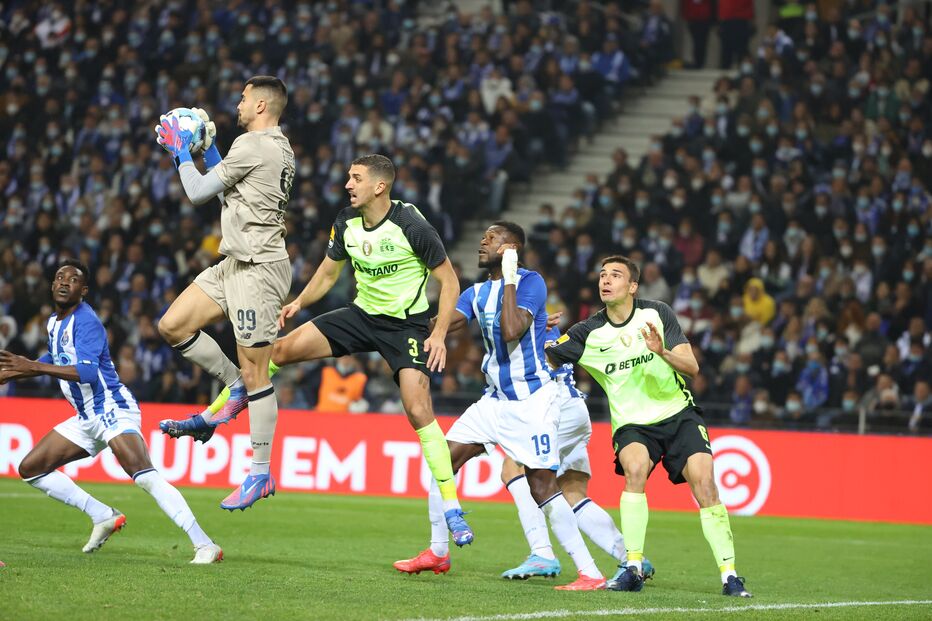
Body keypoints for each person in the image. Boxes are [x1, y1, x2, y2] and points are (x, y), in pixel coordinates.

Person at [160, 154, 472, 542]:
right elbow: (328, 272)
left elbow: (451, 283)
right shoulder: (346, 220)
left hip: (403, 326)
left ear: (379, 186)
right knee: (274, 352)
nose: (347, 184)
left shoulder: (412, 225)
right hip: (361, 315)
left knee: (418, 408)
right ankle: (211, 417)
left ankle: (453, 508)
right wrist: (299, 303)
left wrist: (438, 333)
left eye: (355, 178)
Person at [393, 222, 605, 591]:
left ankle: (590, 573)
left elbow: (510, 329)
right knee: (442, 460)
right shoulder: (476, 292)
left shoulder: (531, 282)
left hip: (532, 401)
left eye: (492, 239)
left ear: (512, 249)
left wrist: (509, 276)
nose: (482, 242)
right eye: (483, 237)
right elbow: (441, 323)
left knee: (541, 485)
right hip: (493, 401)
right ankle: (438, 551)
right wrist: (398, 321)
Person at [545, 255, 752, 597]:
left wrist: (661, 351)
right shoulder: (586, 332)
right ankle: (634, 568)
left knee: (705, 484)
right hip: (632, 423)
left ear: (633, 286)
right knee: (635, 470)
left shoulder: (656, 313)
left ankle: (730, 576)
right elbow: (546, 355)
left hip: (678, 413)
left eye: (615, 275)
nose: (605, 281)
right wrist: (537, 326)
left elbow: (692, 367)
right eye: (602, 275)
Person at [0, 260, 222, 564]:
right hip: (85, 416)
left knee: (143, 475)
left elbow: (88, 373)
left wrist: (33, 367)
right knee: (31, 469)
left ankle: (204, 544)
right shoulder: (54, 322)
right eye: (59, 278)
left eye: (73, 279)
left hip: (112, 407)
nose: (65, 282)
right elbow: (56, 355)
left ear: (84, 290)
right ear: (51, 286)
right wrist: (19, 371)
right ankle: (103, 515)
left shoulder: (87, 321)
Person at [154, 76, 295, 511]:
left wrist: (181, 152)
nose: (237, 103)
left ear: (261, 105)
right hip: (233, 263)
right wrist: (209, 151)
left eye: (243, 98)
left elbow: (198, 193)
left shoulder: (254, 146)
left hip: (259, 271)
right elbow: (233, 196)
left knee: (259, 375)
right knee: (173, 325)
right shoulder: (276, 147)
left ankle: (259, 473)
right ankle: (232, 388)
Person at [497, 323, 655, 582]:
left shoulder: (522, 326)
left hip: (558, 410)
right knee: (572, 494)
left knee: (512, 468)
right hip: (576, 410)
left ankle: (541, 552)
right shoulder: (542, 325)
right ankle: (632, 557)